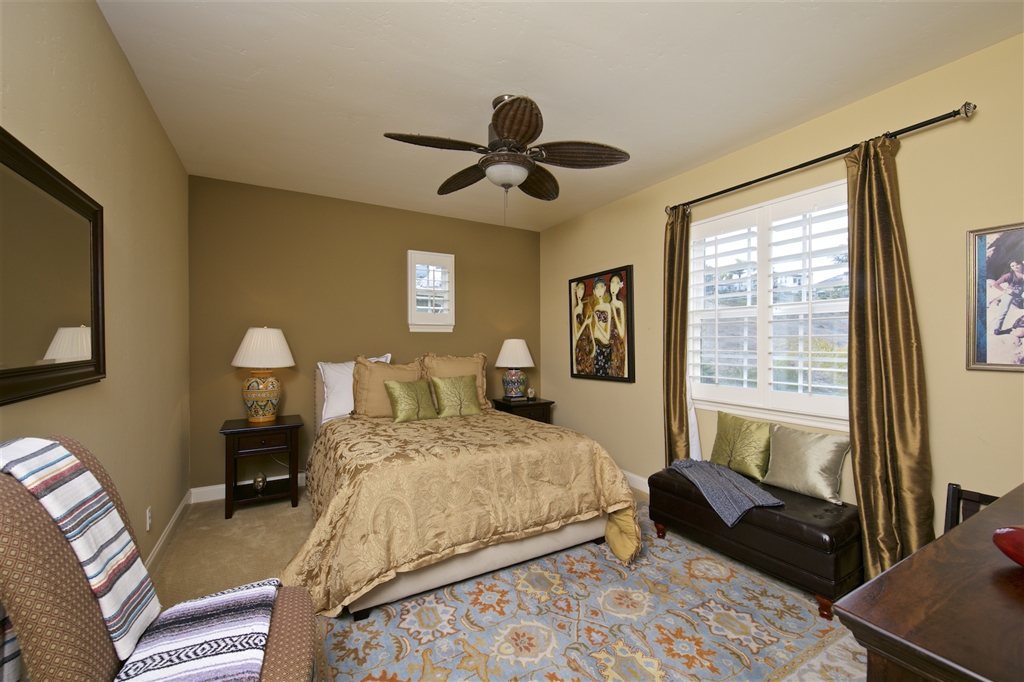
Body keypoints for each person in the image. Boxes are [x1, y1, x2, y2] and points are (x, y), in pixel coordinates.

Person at [990, 260, 1024, 334]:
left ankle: (1020, 326)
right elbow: (996, 284)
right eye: (1013, 266)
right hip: (1010, 293)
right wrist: (1005, 291)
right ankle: (997, 329)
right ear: (1011, 268)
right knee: (1004, 311)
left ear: (1021, 264)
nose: (1016, 267)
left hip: (1021, 293)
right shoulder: (1009, 275)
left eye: (1017, 264)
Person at [590, 277, 613, 376]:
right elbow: (593, 330)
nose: (599, 290)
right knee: (596, 372)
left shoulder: (608, 306)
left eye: (601, 287)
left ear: (605, 288)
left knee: (604, 373)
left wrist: (597, 323)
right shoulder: (595, 308)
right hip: (596, 345)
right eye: (597, 288)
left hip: (605, 346)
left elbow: (607, 336)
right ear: (594, 291)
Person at [572, 281, 595, 375]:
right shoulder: (576, 310)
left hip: (588, 344)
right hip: (580, 346)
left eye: (582, 289)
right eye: (578, 289)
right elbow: (577, 335)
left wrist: (593, 343)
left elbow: (590, 329)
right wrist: (585, 322)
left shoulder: (587, 306)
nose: (580, 292)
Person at [608, 274, 627, 377]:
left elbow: (621, 332)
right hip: (607, 346)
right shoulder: (606, 305)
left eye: (617, 283)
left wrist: (614, 312)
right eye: (612, 283)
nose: (613, 287)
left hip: (617, 347)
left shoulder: (620, 304)